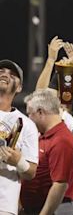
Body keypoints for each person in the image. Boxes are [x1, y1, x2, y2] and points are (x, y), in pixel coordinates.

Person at [20, 89, 73, 215]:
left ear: (40, 112)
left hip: (56, 210)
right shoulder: (45, 136)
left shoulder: (62, 140)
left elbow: (59, 184)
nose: (28, 119)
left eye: (30, 114)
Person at [0, 59, 39, 215]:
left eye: (12, 74)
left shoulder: (26, 125)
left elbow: (31, 173)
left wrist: (18, 162)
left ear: (19, 87)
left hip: (3, 204)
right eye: (1, 71)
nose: (5, 74)